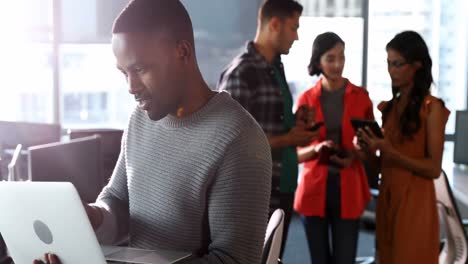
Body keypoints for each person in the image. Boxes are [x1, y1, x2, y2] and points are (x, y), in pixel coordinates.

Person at [33, 0, 272, 263]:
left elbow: (233, 260)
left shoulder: (238, 139)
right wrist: (95, 217)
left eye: (140, 69)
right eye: (124, 73)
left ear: (182, 52)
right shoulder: (140, 120)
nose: (131, 87)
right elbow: (118, 200)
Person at [217, 0, 319, 258]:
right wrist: (288, 138)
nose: (297, 36)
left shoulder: (276, 69)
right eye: (294, 27)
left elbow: (266, 124)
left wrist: (296, 122)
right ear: (275, 24)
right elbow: (230, 145)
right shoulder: (241, 73)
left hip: (283, 186)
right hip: (255, 193)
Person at [355, 30, 450, 264]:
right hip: (388, 198)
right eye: (389, 64)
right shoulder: (391, 108)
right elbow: (382, 165)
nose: (391, 71)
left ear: (416, 66)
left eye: (397, 64)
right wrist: (367, 151)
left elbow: (433, 169)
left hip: (415, 203)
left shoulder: (432, 108)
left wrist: (388, 150)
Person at [293, 32, 373, 264]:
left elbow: (371, 149)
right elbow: (295, 154)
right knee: (319, 260)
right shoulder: (306, 99)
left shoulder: (362, 98)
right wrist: (317, 150)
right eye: (331, 58)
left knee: (344, 259)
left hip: (349, 187)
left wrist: (355, 154)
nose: (338, 64)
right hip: (314, 189)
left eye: (342, 57)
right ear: (318, 61)